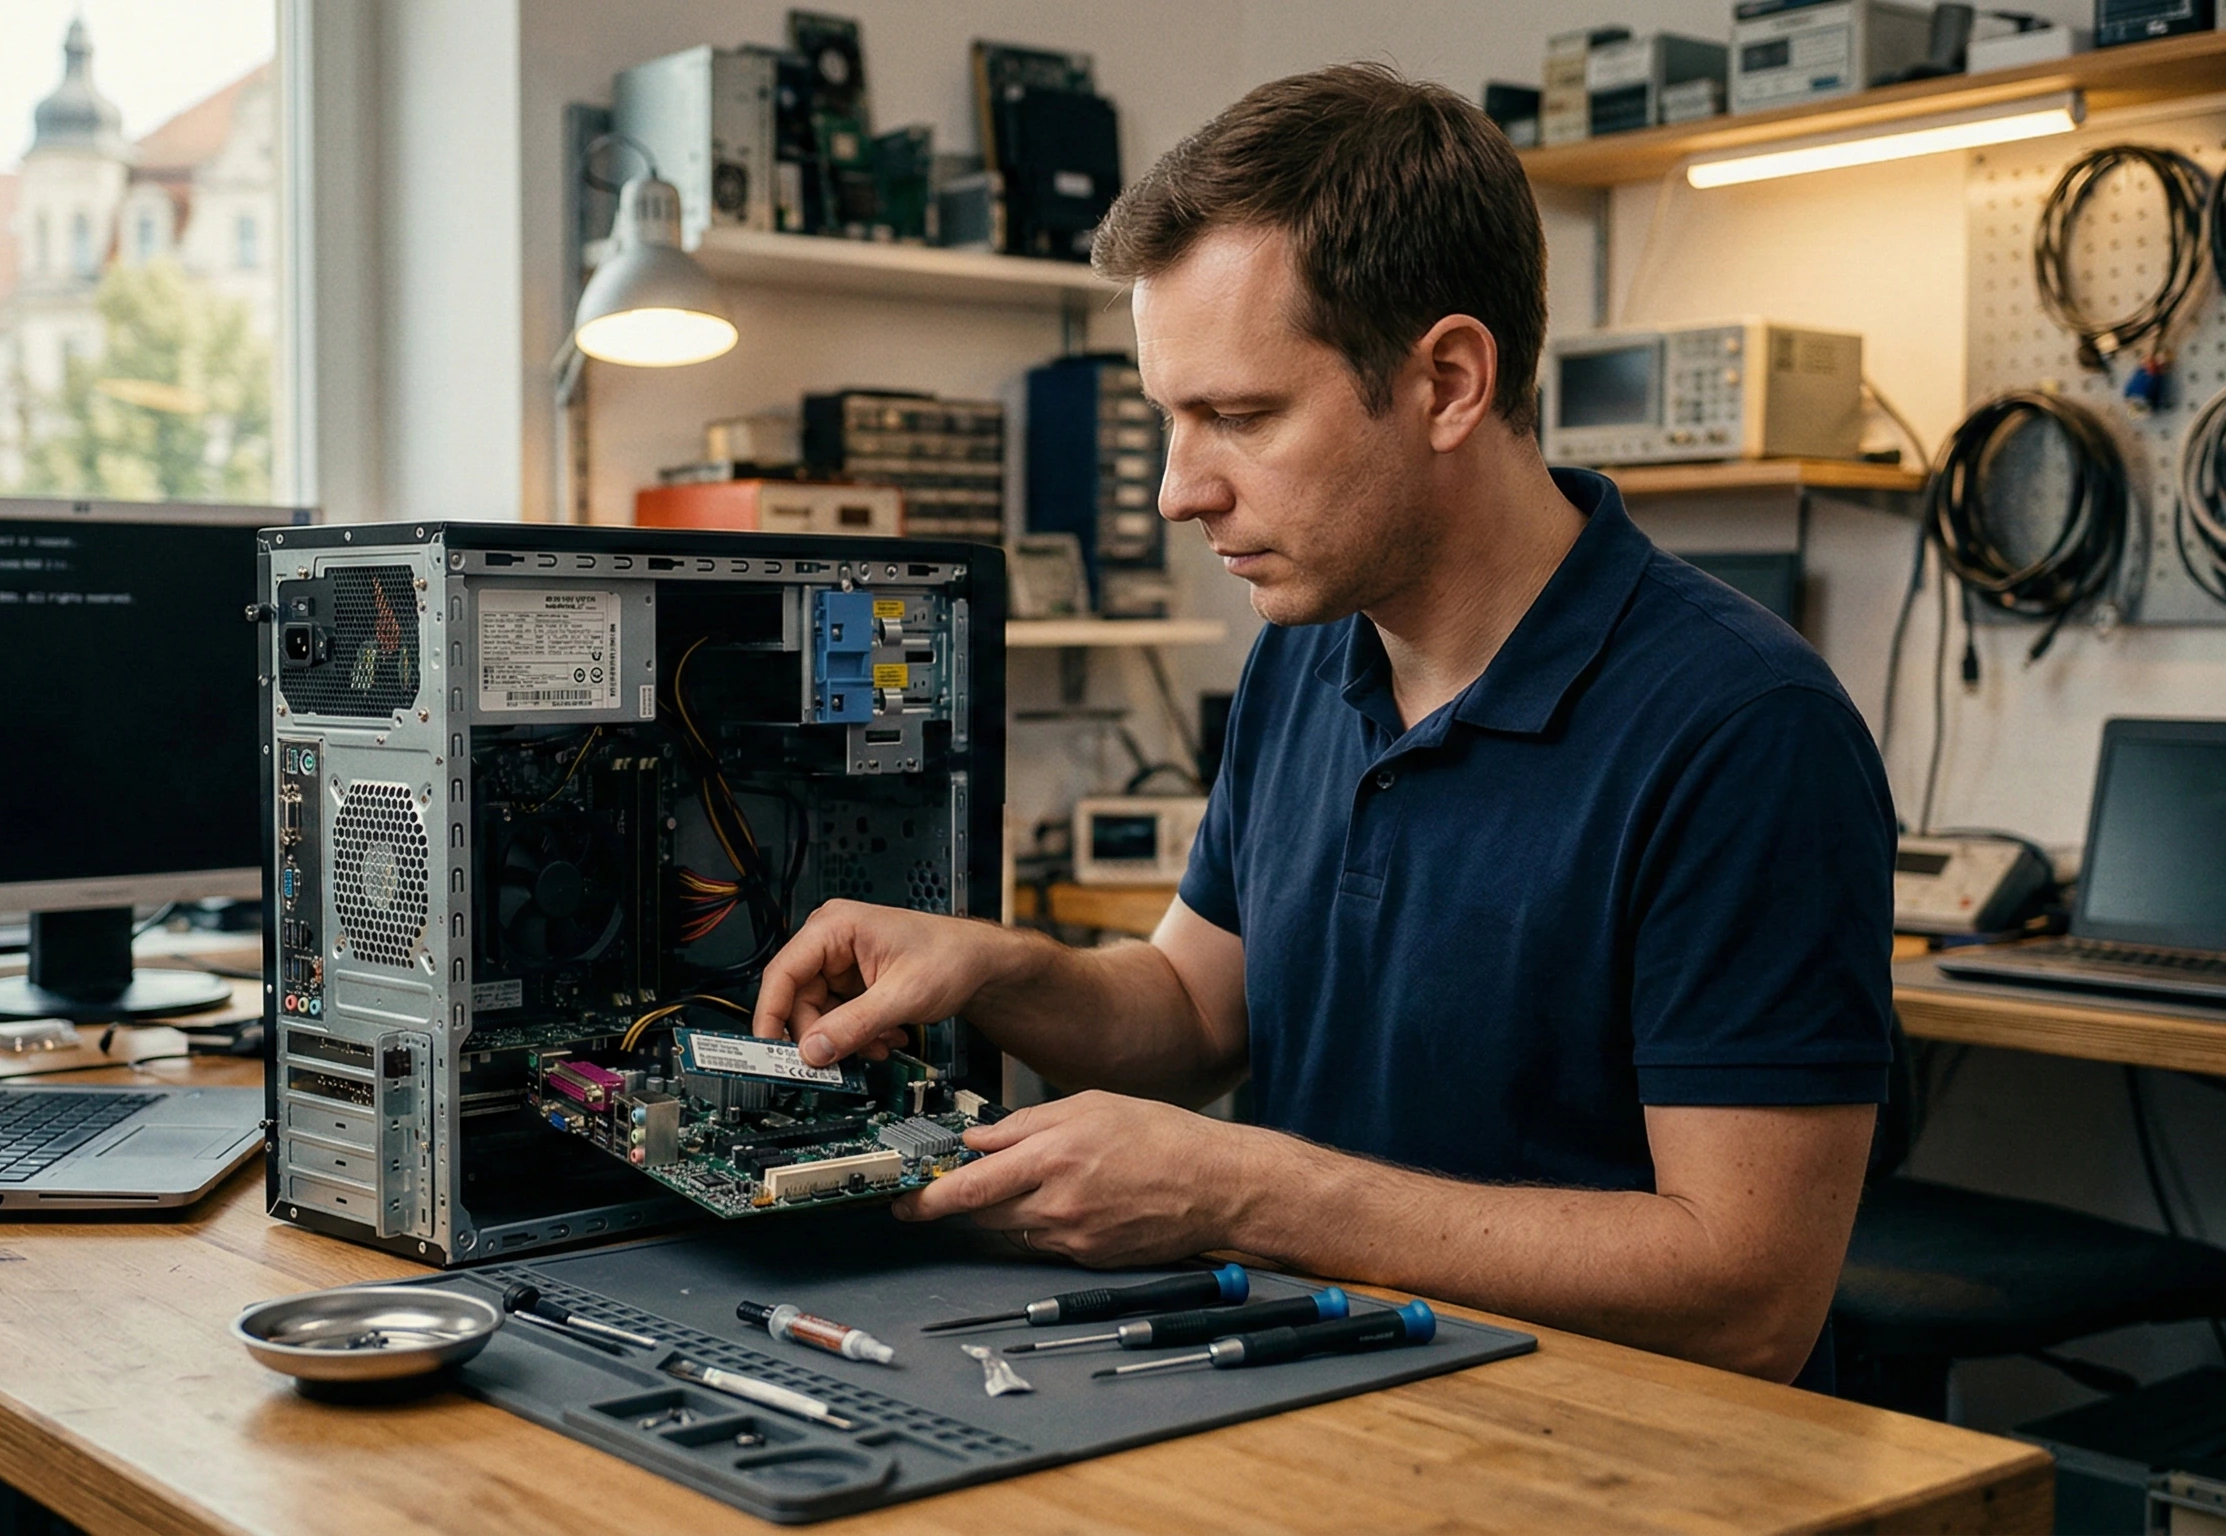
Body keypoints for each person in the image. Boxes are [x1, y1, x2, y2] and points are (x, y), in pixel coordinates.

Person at [752, 64, 1894, 1387]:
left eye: (1237, 416)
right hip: (1317, 1402)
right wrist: (995, 973)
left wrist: (1242, 1191)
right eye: (1167, 420)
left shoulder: (1741, 732)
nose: (1181, 491)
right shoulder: (1308, 650)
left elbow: (1749, 1294)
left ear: (1448, 381)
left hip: (1601, 1464)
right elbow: (1190, 1012)